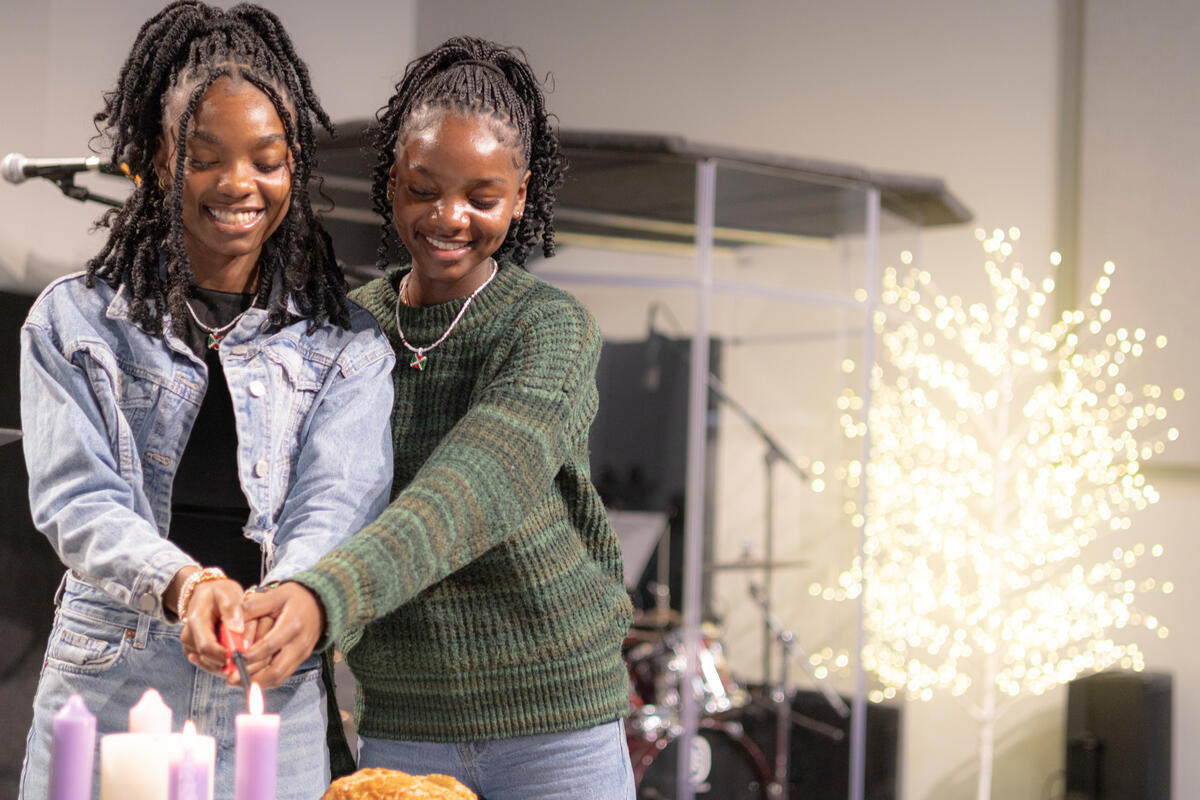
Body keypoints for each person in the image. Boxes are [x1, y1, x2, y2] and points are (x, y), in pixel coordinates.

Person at [237, 36, 637, 799]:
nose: (449, 216)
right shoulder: (348, 330)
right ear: (392, 186)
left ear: (520, 198)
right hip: (402, 726)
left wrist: (326, 599)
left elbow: (475, 486)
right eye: (425, 189)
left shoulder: (548, 327)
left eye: (482, 197)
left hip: (558, 729)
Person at [17, 3, 394, 799]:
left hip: (269, 687)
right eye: (206, 156)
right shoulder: (73, 319)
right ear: (155, 158)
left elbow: (339, 501)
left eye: (267, 159)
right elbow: (76, 499)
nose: (239, 184)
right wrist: (187, 585)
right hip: (111, 683)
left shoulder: (347, 344)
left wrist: (292, 597)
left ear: (294, 168)